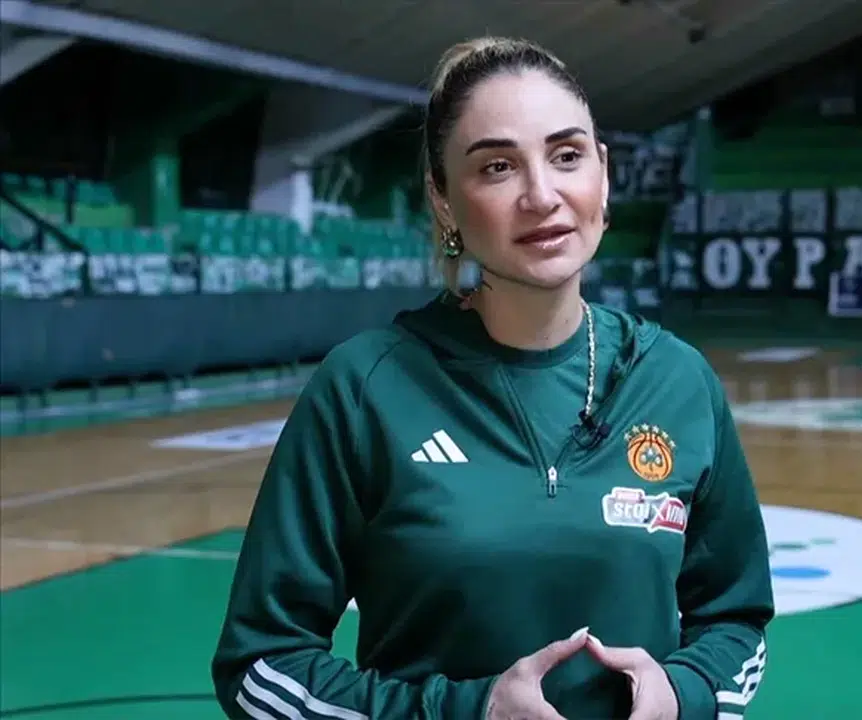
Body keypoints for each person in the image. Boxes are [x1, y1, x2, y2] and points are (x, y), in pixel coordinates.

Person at [211, 36, 774, 720]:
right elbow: (261, 666)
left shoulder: (677, 378)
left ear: (602, 173)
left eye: (566, 156)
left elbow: (736, 621)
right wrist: (466, 712)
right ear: (443, 199)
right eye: (497, 167)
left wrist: (683, 694)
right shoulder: (363, 388)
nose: (542, 195)